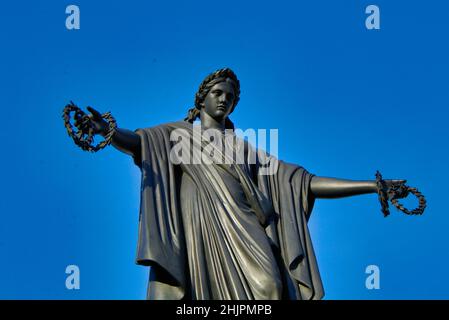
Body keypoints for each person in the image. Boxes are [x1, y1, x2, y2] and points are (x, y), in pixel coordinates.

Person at [85, 68, 405, 300]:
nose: (224, 100)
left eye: (230, 97)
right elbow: (140, 143)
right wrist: (106, 131)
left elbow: (302, 183)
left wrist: (371, 186)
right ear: (202, 99)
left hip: (243, 221)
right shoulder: (177, 135)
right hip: (198, 222)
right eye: (218, 93)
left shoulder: (246, 149)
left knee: (270, 288)